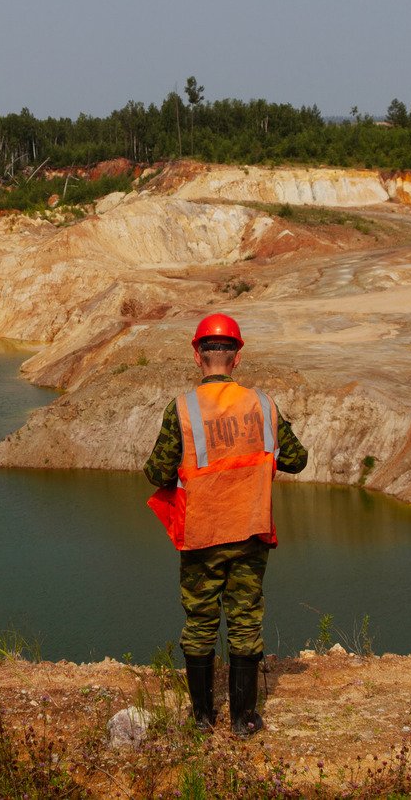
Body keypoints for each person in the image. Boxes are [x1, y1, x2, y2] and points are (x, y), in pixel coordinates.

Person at [144, 313, 307, 736]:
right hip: (250, 529)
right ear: (237, 356)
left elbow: (157, 472)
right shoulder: (263, 404)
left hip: (201, 533)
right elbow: (296, 458)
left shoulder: (181, 408)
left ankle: (201, 717)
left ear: (197, 354)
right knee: (245, 621)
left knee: (199, 623)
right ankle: (243, 718)